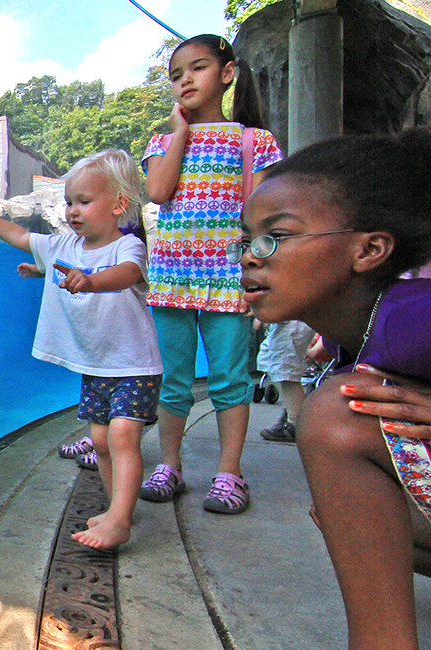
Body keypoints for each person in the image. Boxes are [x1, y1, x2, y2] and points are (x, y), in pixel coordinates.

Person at [233, 129, 431, 649]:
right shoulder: (361, 337)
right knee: (345, 512)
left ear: (369, 249)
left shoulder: (416, 317)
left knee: (336, 418)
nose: (252, 257)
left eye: (276, 235)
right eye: (247, 241)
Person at [0, 149, 162, 550]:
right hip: (96, 367)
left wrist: (91, 281)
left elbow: (128, 275)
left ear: (119, 205)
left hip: (134, 365)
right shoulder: (64, 246)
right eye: (69, 201)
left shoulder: (127, 247)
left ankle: (118, 521)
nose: (73, 210)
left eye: (84, 201)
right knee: (100, 442)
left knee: (121, 438)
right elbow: (18, 236)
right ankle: (119, 508)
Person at [139, 34, 283, 514]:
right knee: (173, 381)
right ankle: (171, 465)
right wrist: (178, 132)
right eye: (176, 75)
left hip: (226, 279)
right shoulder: (161, 142)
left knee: (229, 380)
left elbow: (262, 213)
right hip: (171, 279)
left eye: (196, 69)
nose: (185, 81)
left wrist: (262, 279)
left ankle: (229, 474)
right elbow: (158, 191)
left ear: (226, 73)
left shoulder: (253, 140)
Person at [255, 319, 316, 442]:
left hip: (291, 321)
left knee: (285, 370)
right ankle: (292, 412)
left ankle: (295, 424)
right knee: (270, 363)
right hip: (283, 322)